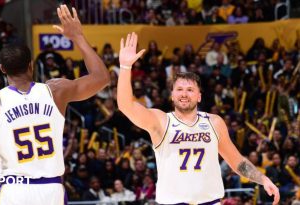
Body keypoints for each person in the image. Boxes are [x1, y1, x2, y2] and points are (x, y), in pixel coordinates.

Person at [0, 4, 110, 205]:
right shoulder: (56, 91)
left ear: (2, 69)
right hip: (51, 191)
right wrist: (78, 37)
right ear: (31, 65)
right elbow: (102, 77)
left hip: (14, 192)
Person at [117, 32, 280, 205]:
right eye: (179, 89)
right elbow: (126, 106)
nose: (184, 94)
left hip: (210, 202)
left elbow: (236, 161)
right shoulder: (161, 121)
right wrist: (125, 68)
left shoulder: (214, 122)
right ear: (172, 95)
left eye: (190, 90)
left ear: (199, 96)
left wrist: (263, 179)